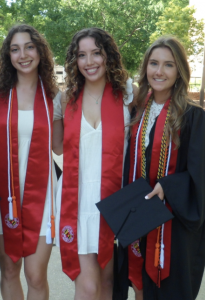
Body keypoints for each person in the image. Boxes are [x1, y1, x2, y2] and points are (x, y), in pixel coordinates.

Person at [116, 36, 205, 300]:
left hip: (173, 223)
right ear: (145, 68)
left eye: (168, 65)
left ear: (179, 72)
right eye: (154, 63)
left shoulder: (193, 118)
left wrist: (169, 185)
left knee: (167, 288)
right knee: (139, 282)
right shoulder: (136, 113)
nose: (159, 71)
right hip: (139, 215)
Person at [53, 27, 137, 300]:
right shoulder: (65, 99)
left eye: (96, 53)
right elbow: (55, 147)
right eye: (82, 55)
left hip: (114, 200)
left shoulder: (128, 95)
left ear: (108, 55)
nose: (89, 62)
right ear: (74, 61)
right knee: (88, 286)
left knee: (107, 283)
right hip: (77, 200)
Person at [0, 24, 60, 300]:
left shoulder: (55, 97)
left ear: (40, 51)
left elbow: (61, 145)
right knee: (9, 271)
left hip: (43, 196)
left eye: (29, 47)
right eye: (15, 49)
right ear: (8, 56)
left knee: (35, 274)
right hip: (2, 193)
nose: (23, 55)